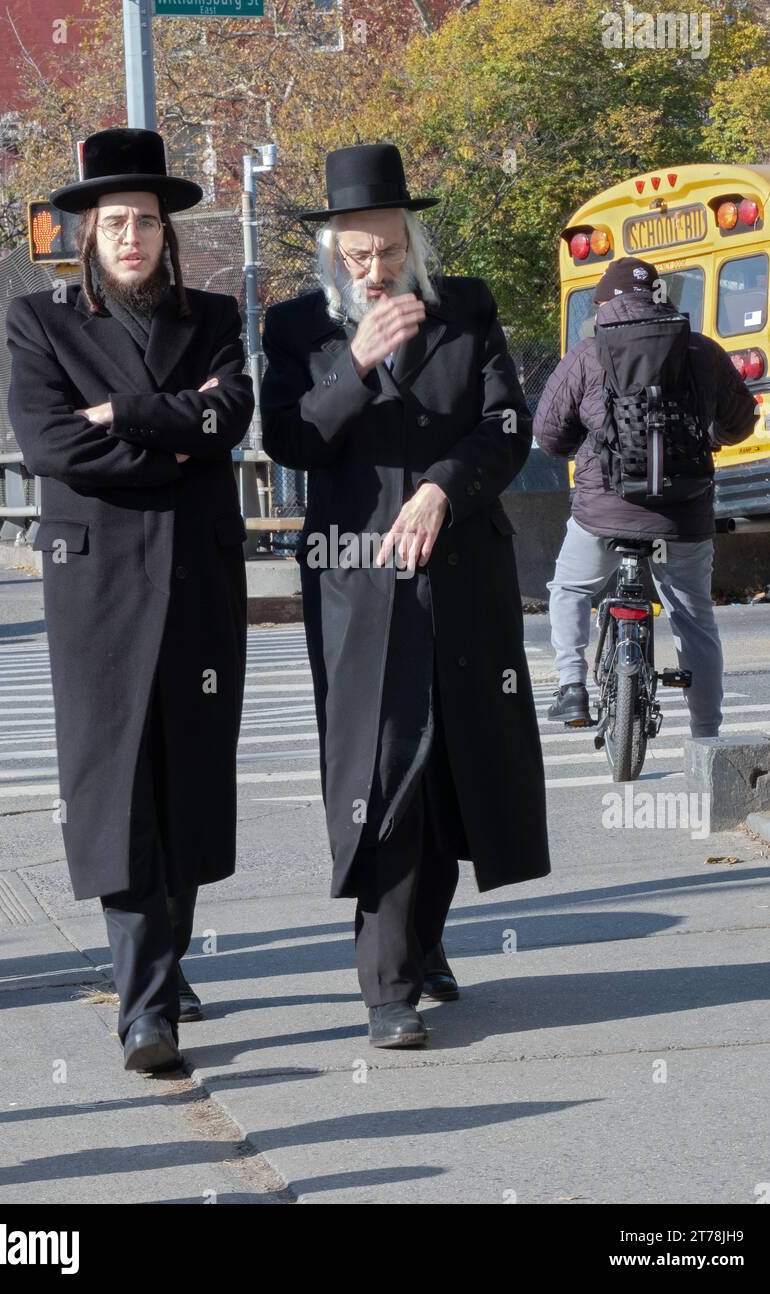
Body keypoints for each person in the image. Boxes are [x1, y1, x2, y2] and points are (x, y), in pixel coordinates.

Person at [260, 142, 549, 1048]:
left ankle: (424, 944)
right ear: (332, 253)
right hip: (358, 582)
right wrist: (352, 363)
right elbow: (290, 442)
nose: (377, 270)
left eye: (389, 251)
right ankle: (386, 987)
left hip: (464, 570)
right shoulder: (298, 326)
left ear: (412, 240)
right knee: (381, 770)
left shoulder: (467, 306)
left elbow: (507, 426)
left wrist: (439, 490)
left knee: (458, 762)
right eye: (358, 256)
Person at [6, 128, 253, 1072]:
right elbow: (51, 448)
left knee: (188, 775)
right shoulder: (41, 320)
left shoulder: (216, 315)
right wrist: (174, 436)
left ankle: (166, 959)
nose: (131, 236)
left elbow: (229, 419)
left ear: (167, 231)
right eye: (114, 222)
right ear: (87, 234)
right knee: (115, 786)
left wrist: (127, 415)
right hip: (98, 584)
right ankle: (145, 1010)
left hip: (197, 575)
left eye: (145, 220)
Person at [534, 255, 755, 734]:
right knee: (694, 619)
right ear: (660, 298)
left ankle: (572, 685)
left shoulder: (587, 354)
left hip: (604, 511)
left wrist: (588, 445)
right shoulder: (703, 351)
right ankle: (706, 737)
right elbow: (739, 425)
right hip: (683, 516)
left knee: (570, 589)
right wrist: (708, 432)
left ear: (601, 306)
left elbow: (550, 435)